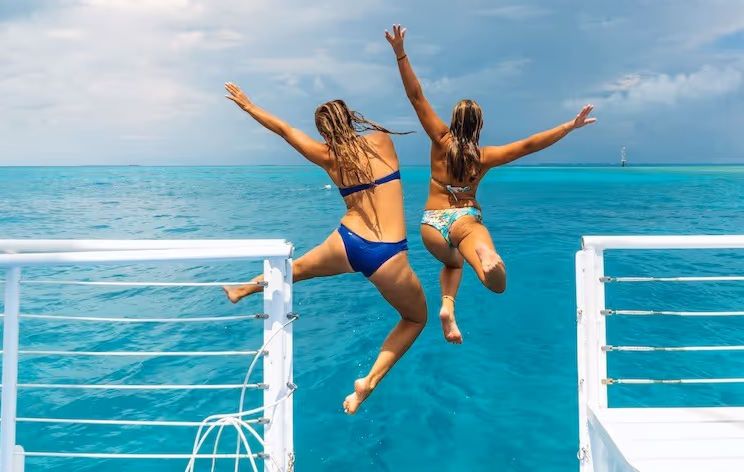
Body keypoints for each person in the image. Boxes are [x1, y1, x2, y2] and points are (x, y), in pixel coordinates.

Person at [220, 82, 427, 414]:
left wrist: (248, 105)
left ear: (324, 131)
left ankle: (242, 289)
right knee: (415, 319)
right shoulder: (382, 141)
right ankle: (367, 383)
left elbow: (285, 131)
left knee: (293, 271)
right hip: (388, 253)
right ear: (350, 119)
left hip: (348, 241)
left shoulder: (327, 156)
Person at [384, 25, 595, 343]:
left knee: (453, 263)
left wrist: (400, 51)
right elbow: (530, 145)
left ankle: (447, 308)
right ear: (479, 125)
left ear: (454, 120)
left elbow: (416, 96)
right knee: (496, 283)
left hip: (430, 226)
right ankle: (484, 253)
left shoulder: (439, 139)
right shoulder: (484, 157)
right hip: (464, 221)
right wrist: (569, 125)